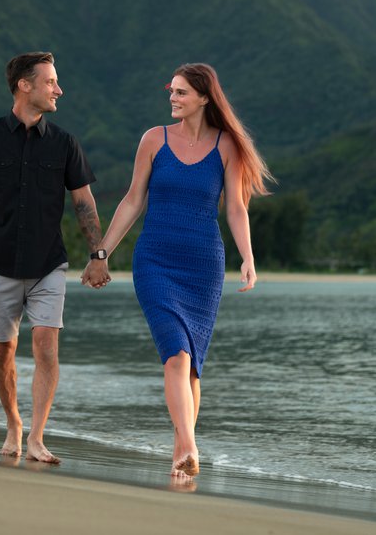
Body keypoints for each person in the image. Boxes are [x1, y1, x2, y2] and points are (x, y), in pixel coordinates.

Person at [83, 62, 273, 479]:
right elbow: (133, 200)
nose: (173, 98)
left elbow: (237, 209)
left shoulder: (227, 147)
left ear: (204, 97)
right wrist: (102, 254)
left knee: (192, 363)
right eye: (171, 91)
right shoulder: (154, 140)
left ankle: (179, 452)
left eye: (182, 92)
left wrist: (248, 258)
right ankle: (189, 445)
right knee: (176, 353)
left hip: (203, 265)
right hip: (154, 261)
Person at [0, 51, 111, 464]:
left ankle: (38, 436)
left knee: (46, 345)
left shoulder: (65, 144)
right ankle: (13, 423)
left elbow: (84, 203)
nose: (59, 89)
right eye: (51, 82)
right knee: (3, 351)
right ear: (25, 85)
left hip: (48, 265)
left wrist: (98, 254)